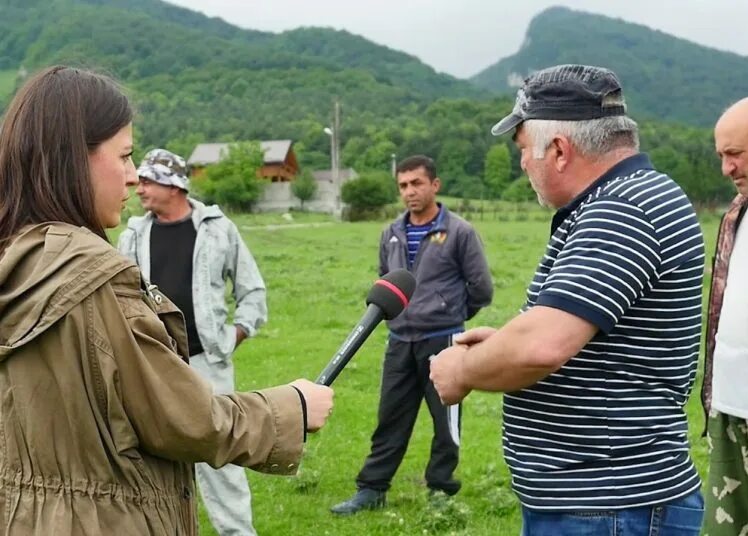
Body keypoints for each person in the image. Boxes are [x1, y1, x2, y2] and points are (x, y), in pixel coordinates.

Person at [0, 65, 334, 535]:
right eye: (124, 156)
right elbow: (187, 422)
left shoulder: (17, 258)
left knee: (225, 488)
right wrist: (291, 408)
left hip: (29, 515)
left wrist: (230, 336)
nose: (135, 178)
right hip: (106, 519)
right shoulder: (97, 274)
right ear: (74, 159)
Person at [429, 65, 705, 535]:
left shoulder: (623, 208)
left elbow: (543, 346)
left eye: (522, 150)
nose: (521, 165)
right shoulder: (631, 197)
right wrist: (504, 347)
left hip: (609, 504)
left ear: (558, 150)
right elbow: (601, 343)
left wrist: (462, 371)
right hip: (604, 501)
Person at [330, 155, 493, 515]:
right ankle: (371, 490)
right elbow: (385, 283)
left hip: (444, 341)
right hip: (400, 341)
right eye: (403, 185)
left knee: (445, 422)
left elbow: (481, 288)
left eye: (417, 183)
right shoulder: (391, 233)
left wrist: (448, 315)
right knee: (390, 418)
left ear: (435, 185)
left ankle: (440, 491)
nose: (409, 192)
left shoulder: (460, 231)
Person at [118, 148, 264, 536]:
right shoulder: (134, 233)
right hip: (152, 365)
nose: (139, 187)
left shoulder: (217, 228)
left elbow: (252, 290)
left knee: (221, 456)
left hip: (207, 366)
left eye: (148, 181)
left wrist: (235, 335)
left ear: (173, 185)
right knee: (151, 456)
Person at [702, 97, 748, 535]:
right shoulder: (738, 212)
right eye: (722, 156)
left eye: (736, 154)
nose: (727, 169)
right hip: (731, 405)